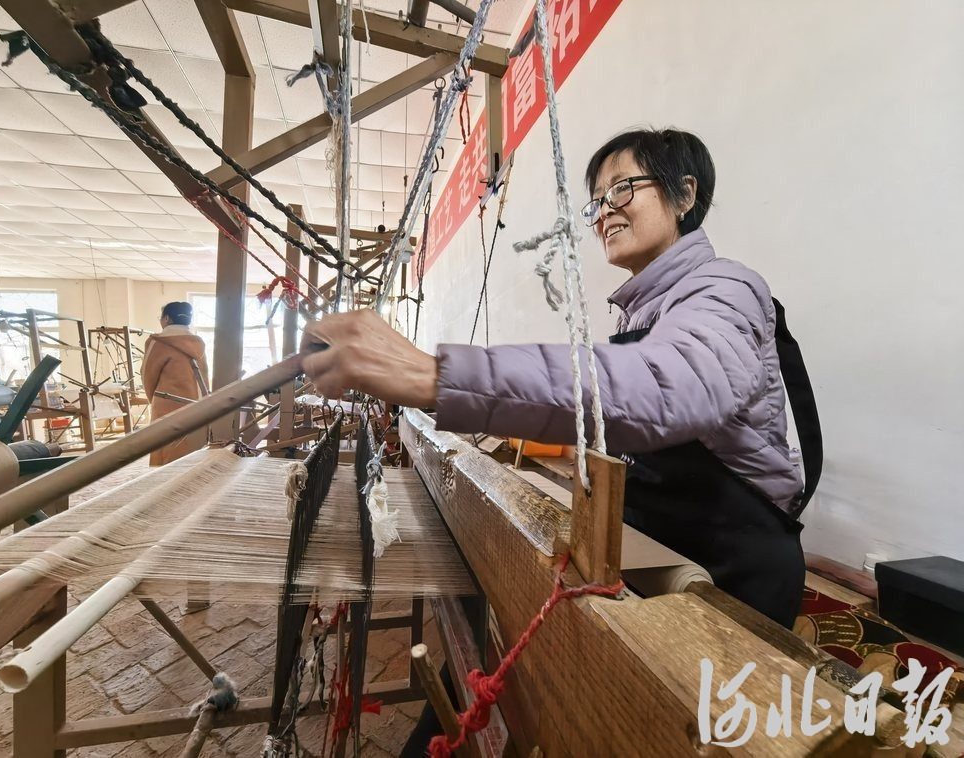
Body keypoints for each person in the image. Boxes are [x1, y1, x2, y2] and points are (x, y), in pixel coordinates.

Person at [301, 128, 822, 631]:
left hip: (734, 578)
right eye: (597, 202)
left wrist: (434, 375)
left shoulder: (727, 290)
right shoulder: (641, 312)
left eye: (623, 188)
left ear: (685, 194)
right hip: (668, 557)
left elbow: (663, 388)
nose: (606, 211)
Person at [141, 301, 210, 466]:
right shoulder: (198, 342)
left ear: (167, 318)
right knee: (191, 446)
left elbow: (148, 375)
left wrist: (154, 400)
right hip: (195, 401)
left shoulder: (157, 342)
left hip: (167, 401)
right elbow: (204, 374)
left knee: (167, 448)